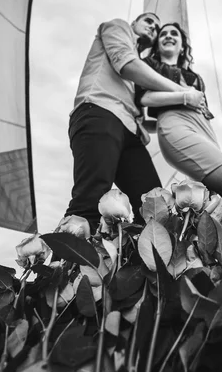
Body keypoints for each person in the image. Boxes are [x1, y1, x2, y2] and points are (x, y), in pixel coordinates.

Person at [65, 13, 195, 229]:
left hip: (130, 132)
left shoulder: (141, 65)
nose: (153, 27)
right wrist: (183, 92)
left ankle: (144, 261)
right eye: (148, 21)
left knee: (155, 207)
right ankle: (65, 261)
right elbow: (125, 64)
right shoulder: (118, 27)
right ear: (134, 23)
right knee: (90, 200)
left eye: (156, 25)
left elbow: (143, 118)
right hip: (99, 112)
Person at [138, 22, 222, 203]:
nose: (168, 36)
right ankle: (212, 231)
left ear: (182, 45)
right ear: (157, 44)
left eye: (174, 33)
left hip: (204, 129)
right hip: (175, 124)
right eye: (163, 34)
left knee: (211, 198)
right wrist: (185, 97)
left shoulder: (197, 78)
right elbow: (145, 98)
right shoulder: (150, 65)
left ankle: (199, 231)